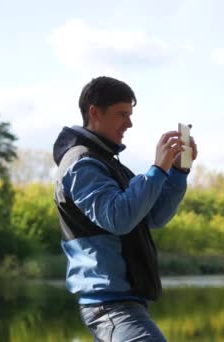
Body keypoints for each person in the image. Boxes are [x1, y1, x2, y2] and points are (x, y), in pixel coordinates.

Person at [53, 76, 198, 341]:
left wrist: (177, 172)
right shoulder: (82, 164)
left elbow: (154, 216)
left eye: (130, 115)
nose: (129, 123)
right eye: (122, 114)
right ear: (94, 112)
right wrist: (157, 170)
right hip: (110, 306)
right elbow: (118, 219)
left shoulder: (107, 163)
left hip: (124, 304)